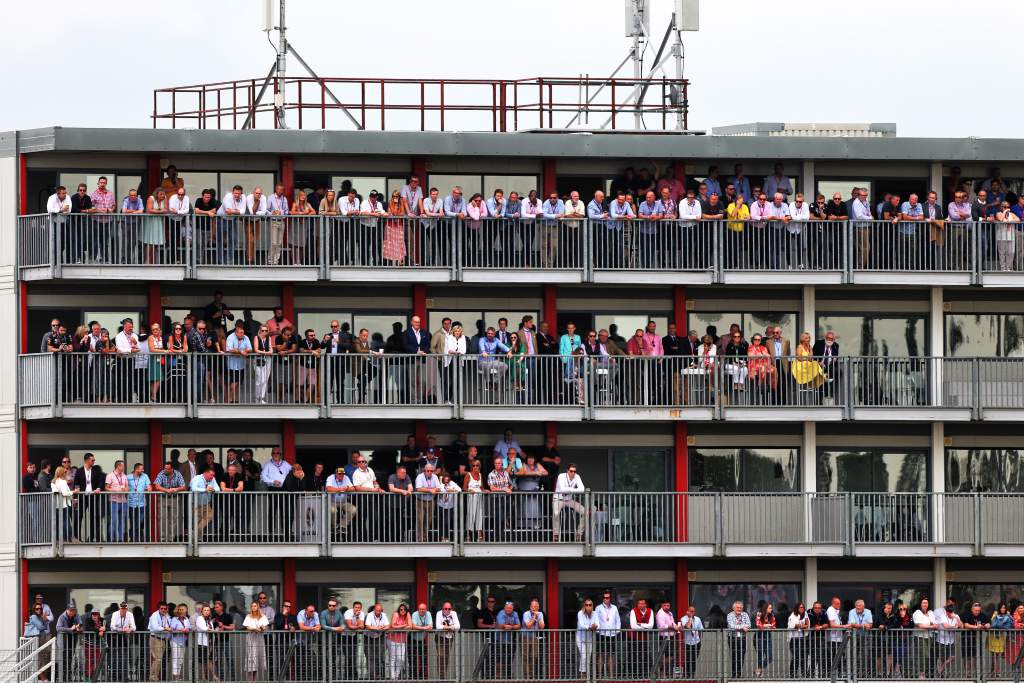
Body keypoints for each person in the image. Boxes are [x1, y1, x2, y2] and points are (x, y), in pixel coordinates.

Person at [552, 463, 586, 541]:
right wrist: (574, 490)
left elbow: (582, 489)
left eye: (574, 471)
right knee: (556, 513)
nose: (573, 473)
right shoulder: (561, 476)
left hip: (569, 500)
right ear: (567, 471)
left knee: (585, 512)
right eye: (571, 471)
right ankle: (556, 534)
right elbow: (563, 489)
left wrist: (569, 490)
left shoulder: (577, 476)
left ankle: (579, 533)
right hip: (558, 499)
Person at [494, 599, 521, 679]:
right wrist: (510, 626)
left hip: (510, 641)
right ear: (504, 608)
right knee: (499, 658)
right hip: (499, 640)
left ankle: (507, 676)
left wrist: (511, 627)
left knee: (509, 659)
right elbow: (501, 625)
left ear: (513, 608)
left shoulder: (515, 613)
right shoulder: (501, 613)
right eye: (507, 608)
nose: (509, 609)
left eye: (510, 608)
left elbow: (518, 625)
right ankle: (498, 676)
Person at [242, 601, 268, 681]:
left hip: (259, 639)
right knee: (251, 658)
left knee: (257, 658)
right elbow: (247, 627)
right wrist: (254, 628)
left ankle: (255, 680)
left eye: (255, 606)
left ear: (258, 607)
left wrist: (263, 628)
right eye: (252, 606)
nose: (253, 607)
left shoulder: (263, 616)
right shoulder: (248, 616)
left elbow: (265, 627)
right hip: (251, 639)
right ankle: (250, 680)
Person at [364, 603, 390, 680]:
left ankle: (378, 674)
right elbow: (368, 626)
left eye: (380, 611)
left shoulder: (384, 615)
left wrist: (383, 627)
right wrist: (377, 628)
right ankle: (372, 675)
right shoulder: (370, 615)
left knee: (379, 656)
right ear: (374, 610)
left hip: (379, 637)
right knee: (370, 656)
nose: (378, 612)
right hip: (368, 637)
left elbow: (388, 625)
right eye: (377, 610)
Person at [435, 602, 460, 678]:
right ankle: (441, 677)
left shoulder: (453, 613)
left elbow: (458, 626)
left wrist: (447, 627)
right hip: (440, 637)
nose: (447, 610)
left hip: (449, 638)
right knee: (441, 656)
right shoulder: (439, 613)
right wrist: (451, 627)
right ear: (442, 609)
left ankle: (443, 675)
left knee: (446, 657)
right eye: (445, 608)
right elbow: (438, 626)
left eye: (449, 609)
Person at [408, 603, 432, 681]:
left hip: (422, 639)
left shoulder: (428, 614)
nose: (421, 610)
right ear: (418, 609)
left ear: (426, 610)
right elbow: (413, 626)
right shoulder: (415, 614)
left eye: (423, 609)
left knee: (424, 658)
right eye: (420, 609)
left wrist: (421, 628)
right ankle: (413, 677)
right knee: (412, 658)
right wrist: (425, 628)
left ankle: (421, 676)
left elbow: (431, 626)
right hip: (412, 639)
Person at [679, 605, 704, 679]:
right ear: (687, 611)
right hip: (688, 642)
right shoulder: (683, 618)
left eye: (693, 611)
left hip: (697, 641)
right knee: (688, 658)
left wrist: (700, 638)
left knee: (694, 659)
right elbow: (688, 627)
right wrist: (690, 618)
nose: (692, 613)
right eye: (691, 611)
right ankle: (686, 674)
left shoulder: (697, 619)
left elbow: (701, 629)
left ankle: (692, 674)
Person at [727, 601, 750, 679]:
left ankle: (739, 673)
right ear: (733, 608)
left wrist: (739, 626)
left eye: (740, 607)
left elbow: (749, 625)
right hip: (733, 637)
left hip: (742, 638)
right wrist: (742, 627)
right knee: (734, 656)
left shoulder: (745, 614)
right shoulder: (730, 615)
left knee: (741, 655)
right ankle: (734, 674)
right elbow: (731, 626)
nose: (739, 609)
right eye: (737, 607)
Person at [577, 598, 599, 676]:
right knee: (584, 656)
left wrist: (595, 626)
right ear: (584, 605)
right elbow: (581, 625)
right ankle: (584, 674)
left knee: (588, 657)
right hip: (580, 638)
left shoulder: (595, 613)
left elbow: (598, 624)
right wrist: (590, 627)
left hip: (590, 638)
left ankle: (585, 674)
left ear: (592, 606)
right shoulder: (580, 613)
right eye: (586, 605)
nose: (588, 606)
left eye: (590, 605)